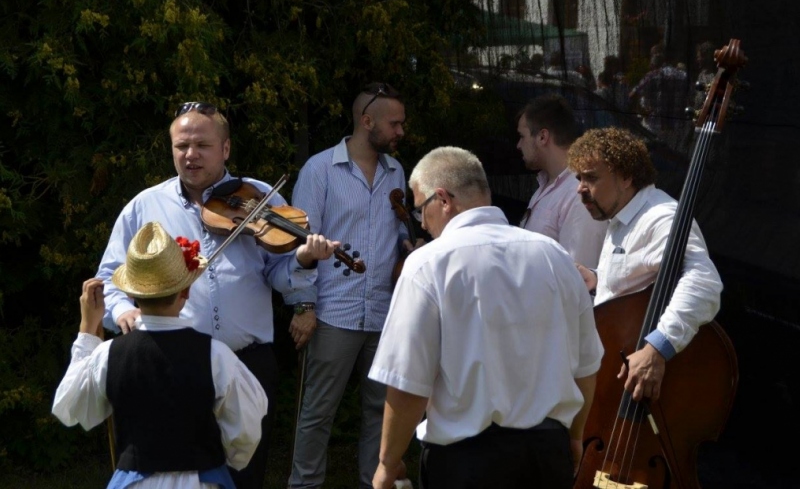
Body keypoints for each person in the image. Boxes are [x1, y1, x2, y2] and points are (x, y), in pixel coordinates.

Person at [95, 102, 339, 489]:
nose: (190, 155)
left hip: (247, 362)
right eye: (181, 146)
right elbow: (108, 277)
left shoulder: (259, 197)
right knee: (178, 473)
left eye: (202, 145)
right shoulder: (145, 206)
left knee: (246, 472)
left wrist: (304, 259)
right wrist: (123, 310)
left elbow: (280, 273)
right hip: (172, 366)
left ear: (225, 149)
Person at [369, 146, 604, 489]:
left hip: (466, 462)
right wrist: (575, 436)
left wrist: (388, 464)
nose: (420, 221)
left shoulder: (428, 263)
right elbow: (586, 366)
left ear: (443, 199)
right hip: (546, 455)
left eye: (421, 208)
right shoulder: (554, 256)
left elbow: (408, 383)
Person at [53, 221, 269, 488]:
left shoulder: (108, 355)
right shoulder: (217, 355)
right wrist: (229, 460)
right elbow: (245, 429)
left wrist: (87, 330)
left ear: (132, 294)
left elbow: (69, 408)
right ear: (186, 291)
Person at [289, 82, 421, 489]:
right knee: (317, 412)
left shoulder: (397, 172)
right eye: (394, 123)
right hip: (334, 312)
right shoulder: (319, 169)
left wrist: (410, 243)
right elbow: (301, 242)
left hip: (384, 313)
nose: (400, 131)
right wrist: (303, 305)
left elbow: (399, 232)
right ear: (367, 122)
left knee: (380, 413)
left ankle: (373, 483)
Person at [568, 127, 723, 401]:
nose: (580, 188)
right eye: (579, 178)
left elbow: (704, 282)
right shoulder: (621, 213)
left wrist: (657, 348)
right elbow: (639, 280)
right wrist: (597, 278)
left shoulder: (661, 218)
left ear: (626, 177)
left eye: (591, 178)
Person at [516, 94, 608, 268]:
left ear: (543, 137)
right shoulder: (546, 184)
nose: (518, 145)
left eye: (522, 136)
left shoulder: (579, 193)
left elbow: (579, 276)